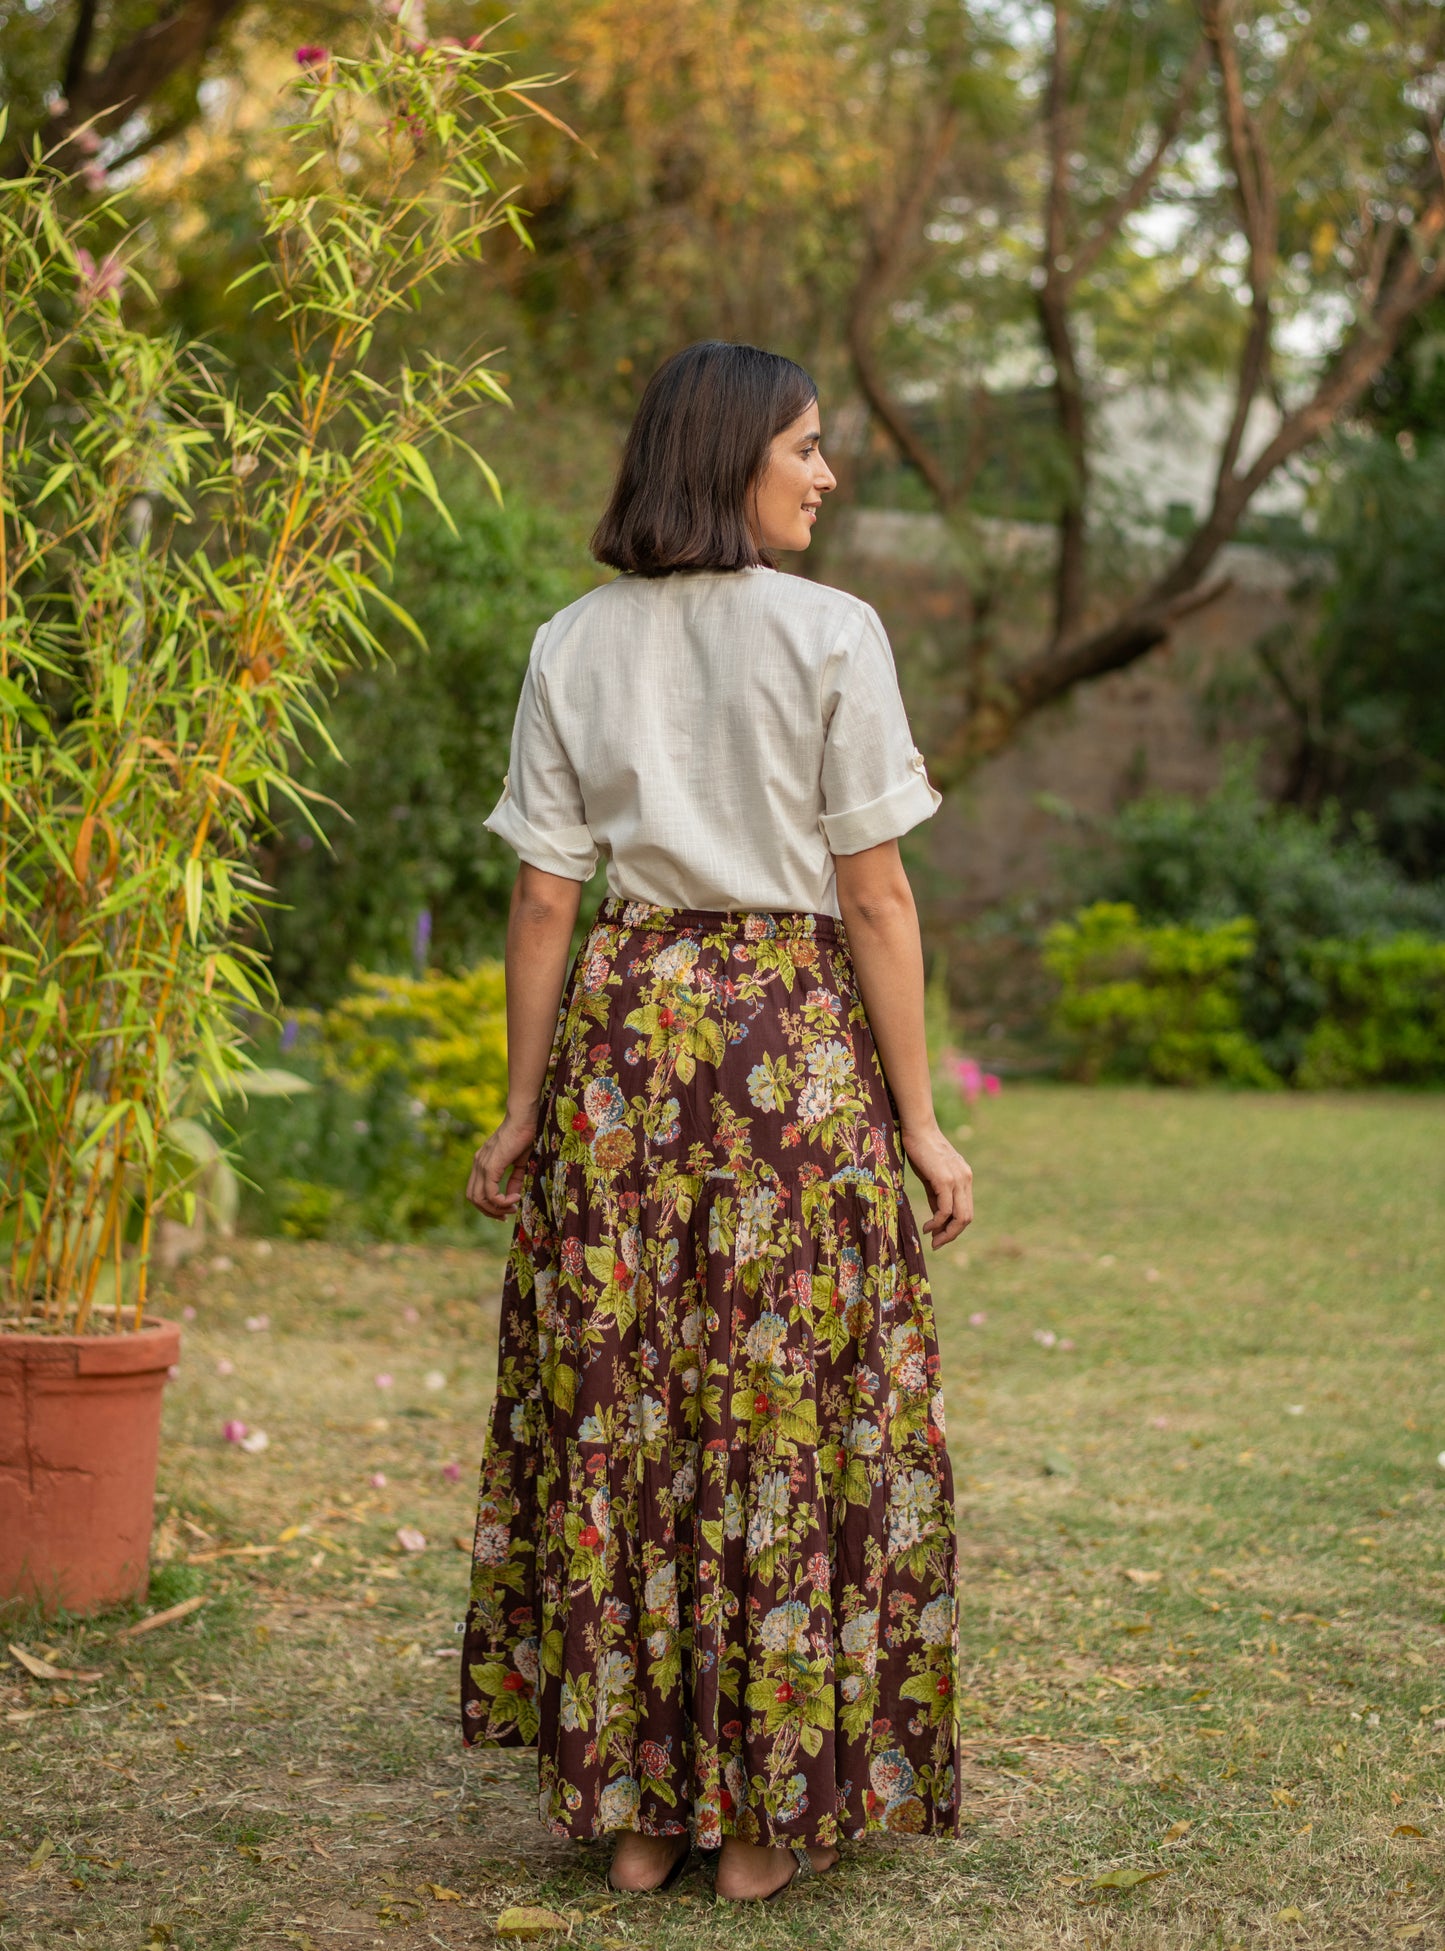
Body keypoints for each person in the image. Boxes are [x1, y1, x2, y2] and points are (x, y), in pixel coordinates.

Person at [460, 340, 972, 1904]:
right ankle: (764, 1812)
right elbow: (874, 897)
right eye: (805, 446)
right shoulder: (829, 631)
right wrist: (921, 1121)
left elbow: (544, 900)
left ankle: (638, 1810)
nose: (825, 474)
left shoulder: (571, 640)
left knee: (628, 1405)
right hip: (785, 1053)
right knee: (781, 1412)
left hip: (626, 1046)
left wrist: (520, 1111)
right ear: (731, 453)